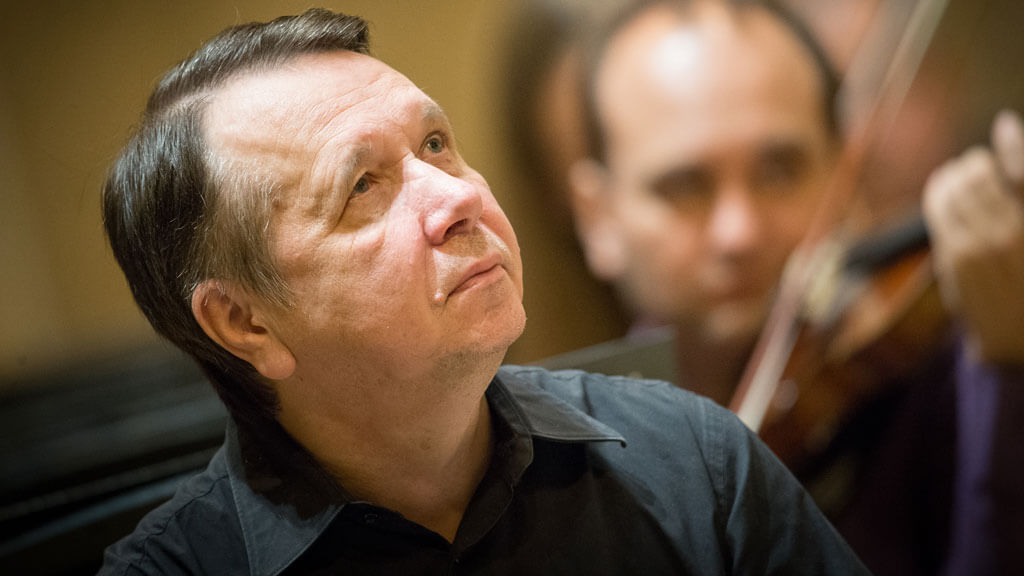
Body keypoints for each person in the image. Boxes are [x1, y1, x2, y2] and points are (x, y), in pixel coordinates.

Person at [95, 8, 870, 575]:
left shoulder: (696, 460)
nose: (457, 197)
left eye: (436, 144)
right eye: (362, 186)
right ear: (244, 321)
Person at [565, 0, 1024, 574]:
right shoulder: (556, 458)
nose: (740, 232)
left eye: (780, 169)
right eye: (685, 185)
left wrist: (1007, 369)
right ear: (597, 217)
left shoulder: (939, 384)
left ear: (842, 171)